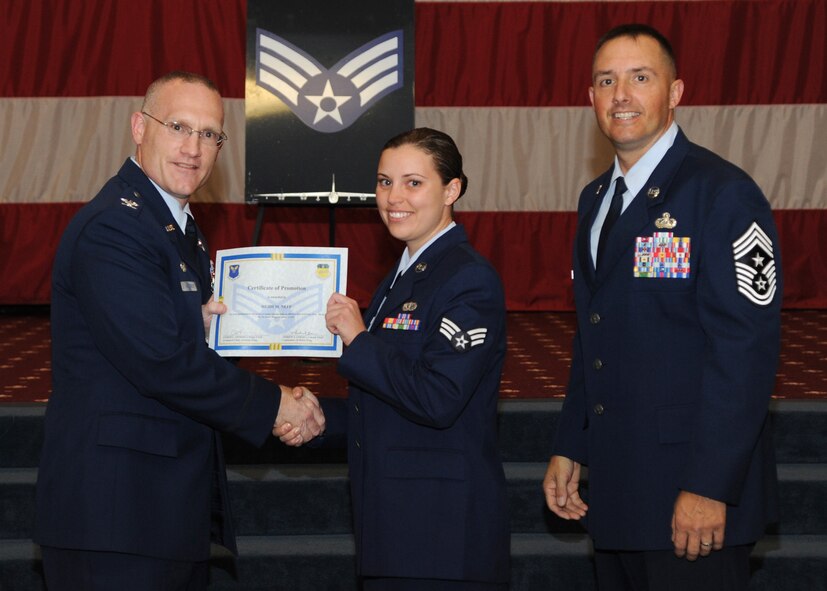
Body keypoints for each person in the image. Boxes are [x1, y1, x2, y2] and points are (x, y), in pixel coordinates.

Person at [34, 71, 324, 590]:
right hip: (114, 519)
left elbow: (161, 336)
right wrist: (275, 404)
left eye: (210, 134)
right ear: (139, 128)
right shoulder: (115, 227)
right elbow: (161, 361)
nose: (194, 148)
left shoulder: (171, 225)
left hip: (155, 513)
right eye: (178, 127)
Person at [542, 24, 782, 590]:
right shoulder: (595, 199)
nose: (621, 94)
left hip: (692, 499)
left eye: (640, 78)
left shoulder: (723, 193)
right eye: (607, 80)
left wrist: (709, 485)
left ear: (675, 93)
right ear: (591, 98)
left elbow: (744, 354)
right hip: (619, 490)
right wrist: (571, 443)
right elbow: (593, 334)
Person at [322, 128, 510, 590]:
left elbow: (438, 397)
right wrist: (314, 417)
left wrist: (359, 340)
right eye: (384, 182)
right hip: (397, 529)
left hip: (440, 536)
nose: (393, 198)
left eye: (413, 182)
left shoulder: (468, 280)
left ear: (452, 190)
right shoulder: (402, 277)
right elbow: (386, 399)